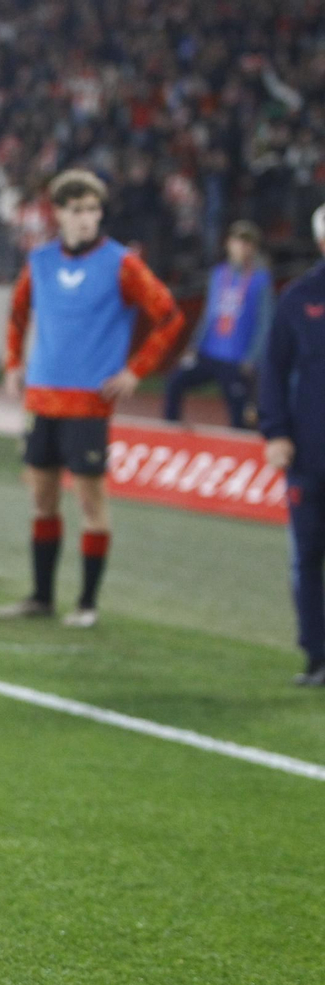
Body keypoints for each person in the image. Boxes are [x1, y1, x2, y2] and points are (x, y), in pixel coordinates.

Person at [0, 169, 183, 628]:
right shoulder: (39, 261)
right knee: (41, 500)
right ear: (58, 213)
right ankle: (41, 597)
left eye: (93, 210)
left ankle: (86, 604)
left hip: (88, 404)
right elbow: (17, 314)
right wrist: (13, 364)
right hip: (41, 398)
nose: (86, 219)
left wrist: (136, 371)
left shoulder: (122, 264)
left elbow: (170, 316)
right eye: (76, 210)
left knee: (90, 504)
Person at [259, 204, 325, 686]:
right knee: (307, 556)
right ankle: (317, 655)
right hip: (308, 454)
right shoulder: (298, 298)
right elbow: (272, 370)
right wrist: (275, 430)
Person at [163, 220, 273, 428]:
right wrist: (193, 348)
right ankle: (170, 433)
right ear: (228, 244)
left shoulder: (261, 280)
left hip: (236, 359)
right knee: (175, 382)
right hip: (209, 353)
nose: (241, 247)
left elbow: (265, 324)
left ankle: (239, 453)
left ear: (253, 248)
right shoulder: (218, 274)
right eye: (237, 241)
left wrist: (252, 358)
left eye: (246, 242)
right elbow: (208, 315)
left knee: (239, 416)